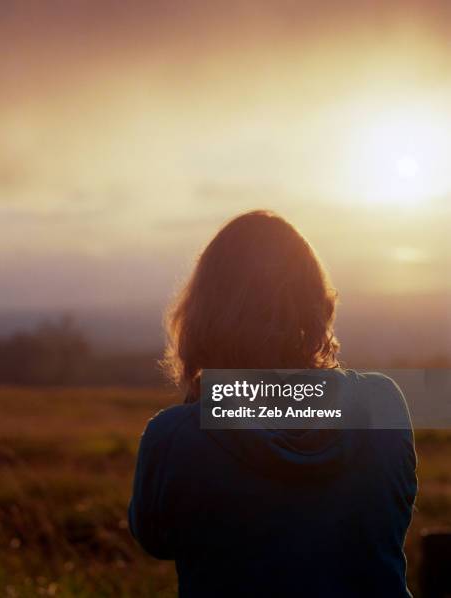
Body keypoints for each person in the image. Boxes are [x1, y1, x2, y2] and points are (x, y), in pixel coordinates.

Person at [128, 210, 417, 597]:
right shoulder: (382, 405)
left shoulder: (173, 437)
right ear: (316, 304)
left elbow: (156, 539)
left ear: (202, 313)